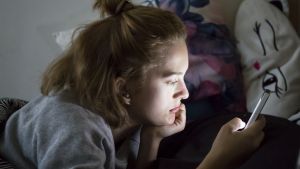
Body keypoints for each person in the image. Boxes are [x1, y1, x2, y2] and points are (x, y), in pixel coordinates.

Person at [0, 0, 266, 168]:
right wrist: (217, 162)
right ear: (123, 88)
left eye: (183, 78)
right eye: (172, 80)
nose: (184, 92)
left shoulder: (129, 114)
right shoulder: (72, 127)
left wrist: (153, 138)